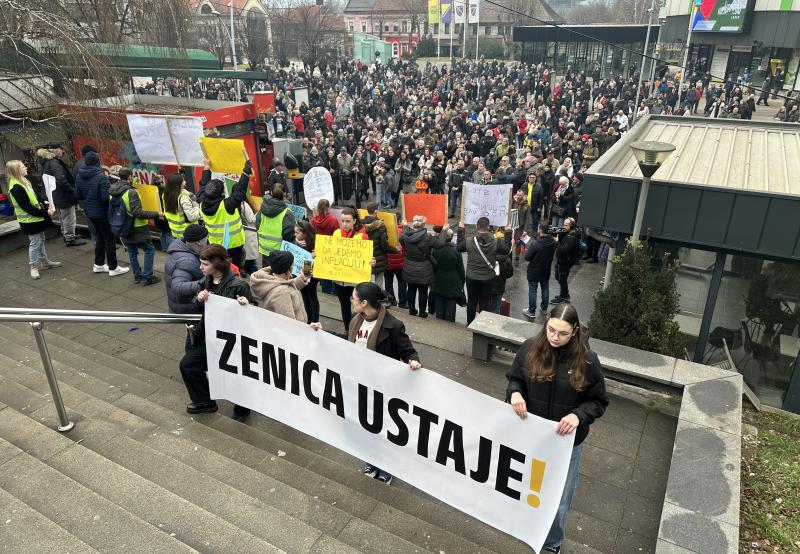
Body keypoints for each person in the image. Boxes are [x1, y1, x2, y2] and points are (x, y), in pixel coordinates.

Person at [506, 303, 608, 554]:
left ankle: (552, 542)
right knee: (528, 485)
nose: (555, 337)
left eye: (562, 333)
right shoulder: (530, 348)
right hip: (533, 436)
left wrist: (578, 415)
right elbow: (515, 378)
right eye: (551, 330)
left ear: (574, 331)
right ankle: (529, 527)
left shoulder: (587, 360)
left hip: (566, 444)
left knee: (559, 497)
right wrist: (515, 393)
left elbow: (598, 400)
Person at [348, 282, 422, 484]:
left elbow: (407, 350)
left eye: (353, 298)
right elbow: (348, 345)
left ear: (364, 303)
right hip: (361, 382)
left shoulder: (393, 326)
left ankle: (386, 465)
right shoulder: (356, 320)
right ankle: (371, 460)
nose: (351, 301)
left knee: (382, 428)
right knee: (366, 425)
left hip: (383, 387)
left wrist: (413, 361)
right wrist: (321, 332)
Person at [179, 244, 254, 420]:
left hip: (230, 342)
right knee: (188, 365)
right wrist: (198, 300)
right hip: (208, 337)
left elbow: (253, 314)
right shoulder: (205, 280)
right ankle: (205, 401)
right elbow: (196, 307)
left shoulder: (239, 285)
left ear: (217, 264)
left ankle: (242, 409)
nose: (200, 267)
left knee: (235, 375)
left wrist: (246, 305)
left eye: (204, 264)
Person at [73, 151, 129, 277]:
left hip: (89, 212)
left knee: (99, 238)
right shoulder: (101, 177)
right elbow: (105, 198)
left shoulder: (79, 176)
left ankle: (98, 264)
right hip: (102, 213)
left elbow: (77, 195)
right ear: (97, 162)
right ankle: (113, 267)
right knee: (109, 239)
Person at [5, 160, 62, 279]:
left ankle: (45, 262)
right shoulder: (16, 187)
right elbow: (26, 207)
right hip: (29, 221)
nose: (25, 167)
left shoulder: (25, 181)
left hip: (36, 219)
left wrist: (44, 202)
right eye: (22, 166)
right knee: (35, 243)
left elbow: (35, 196)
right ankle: (33, 267)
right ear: (16, 170)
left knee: (41, 239)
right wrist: (45, 212)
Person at [109, 168, 163, 285]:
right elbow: (138, 212)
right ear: (129, 177)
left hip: (122, 226)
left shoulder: (113, 191)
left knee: (132, 251)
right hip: (138, 227)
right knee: (149, 249)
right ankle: (148, 276)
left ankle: (137, 276)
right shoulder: (131, 192)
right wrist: (156, 214)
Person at [457, 217, 512, 325]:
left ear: (477, 226)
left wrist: (460, 230)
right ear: (488, 227)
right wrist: (508, 232)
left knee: (472, 302)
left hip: (472, 277)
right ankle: (482, 326)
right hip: (488, 278)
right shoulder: (496, 242)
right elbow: (506, 250)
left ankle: (470, 324)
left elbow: (459, 247)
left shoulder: (469, 241)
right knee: (484, 303)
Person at [199, 158, 252, 270]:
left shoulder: (202, 202)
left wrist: (206, 168)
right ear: (222, 192)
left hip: (216, 245)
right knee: (235, 270)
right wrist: (246, 173)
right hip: (234, 246)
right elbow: (240, 192)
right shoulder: (226, 206)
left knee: (221, 270)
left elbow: (203, 186)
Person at [333, 207, 374, 331]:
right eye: (342, 221)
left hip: (354, 280)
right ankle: (348, 329)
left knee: (358, 307)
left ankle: (359, 329)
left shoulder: (362, 236)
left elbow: (367, 257)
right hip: (339, 279)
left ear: (354, 221)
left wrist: (371, 261)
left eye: (347, 221)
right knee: (344, 306)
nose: (344, 224)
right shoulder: (336, 233)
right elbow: (330, 252)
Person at [37, 143, 86, 247]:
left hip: (56, 194)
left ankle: (66, 234)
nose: (62, 151)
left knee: (62, 216)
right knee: (69, 217)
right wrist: (72, 190)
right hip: (63, 194)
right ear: (55, 150)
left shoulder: (45, 162)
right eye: (60, 149)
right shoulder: (54, 162)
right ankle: (70, 238)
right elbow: (61, 179)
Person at [400, 215, 448, 318]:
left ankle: (412, 310)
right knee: (423, 291)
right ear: (424, 224)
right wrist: (444, 230)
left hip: (409, 266)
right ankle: (422, 312)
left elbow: (400, 240)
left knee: (411, 288)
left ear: (413, 223)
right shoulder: (428, 237)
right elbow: (440, 244)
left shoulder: (405, 235)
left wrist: (404, 226)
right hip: (424, 268)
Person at [250, 250, 314, 323]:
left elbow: (288, 286)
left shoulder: (274, 280)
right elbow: (290, 324)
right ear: (287, 270)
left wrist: (303, 277)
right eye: (292, 266)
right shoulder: (282, 293)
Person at [255, 184, 296, 266]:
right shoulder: (287, 213)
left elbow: (257, 224)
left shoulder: (262, 210)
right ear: (284, 194)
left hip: (265, 250)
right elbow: (290, 235)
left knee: (267, 275)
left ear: (271, 193)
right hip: (280, 253)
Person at [523, 222, 557, 319]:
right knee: (545, 289)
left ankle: (531, 311)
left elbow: (527, 257)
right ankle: (544, 308)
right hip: (546, 270)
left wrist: (526, 250)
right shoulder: (553, 242)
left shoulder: (536, 244)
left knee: (533, 290)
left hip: (534, 271)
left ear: (540, 229)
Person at [430, 226, 465, 322]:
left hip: (438, 279)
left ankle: (439, 322)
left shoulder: (435, 249)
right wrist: (462, 282)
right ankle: (449, 325)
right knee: (451, 305)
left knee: (439, 302)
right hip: (453, 281)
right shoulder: (456, 250)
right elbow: (461, 269)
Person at [363, 202, 399, 289]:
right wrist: (395, 249)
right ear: (376, 211)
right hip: (379, 259)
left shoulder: (361, 223)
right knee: (379, 283)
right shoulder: (381, 225)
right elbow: (384, 245)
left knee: (365, 282)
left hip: (365, 257)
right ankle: (377, 299)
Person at [162, 171, 201, 241]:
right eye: (183, 181)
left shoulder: (165, 195)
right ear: (178, 184)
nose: (185, 182)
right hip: (188, 233)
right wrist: (197, 207)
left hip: (175, 232)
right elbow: (192, 217)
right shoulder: (183, 199)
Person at [293, 220, 320, 323]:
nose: (295, 234)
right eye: (295, 232)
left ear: (305, 233)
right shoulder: (296, 242)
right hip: (300, 272)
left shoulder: (314, 243)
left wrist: (313, 257)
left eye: (297, 232)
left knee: (312, 297)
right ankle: (308, 319)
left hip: (312, 274)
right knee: (304, 296)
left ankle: (315, 320)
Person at [552, 217, 581, 305]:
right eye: (563, 224)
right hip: (562, 260)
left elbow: (563, 250)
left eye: (566, 225)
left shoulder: (572, 237)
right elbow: (554, 231)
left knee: (562, 279)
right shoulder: (566, 231)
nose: (563, 226)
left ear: (571, 226)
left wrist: (557, 241)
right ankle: (564, 294)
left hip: (565, 261)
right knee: (559, 277)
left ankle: (564, 296)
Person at [511, 189, 530, 266]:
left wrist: (525, 229)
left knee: (518, 242)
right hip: (511, 225)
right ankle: (508, 256)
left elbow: (527, 218)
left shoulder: (526, 205)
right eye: (517, 195)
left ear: (523, 195)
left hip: (520, 226)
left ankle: (516, 258)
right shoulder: (512, 201)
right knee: (509, 241)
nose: (518, 197)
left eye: (520, 195)